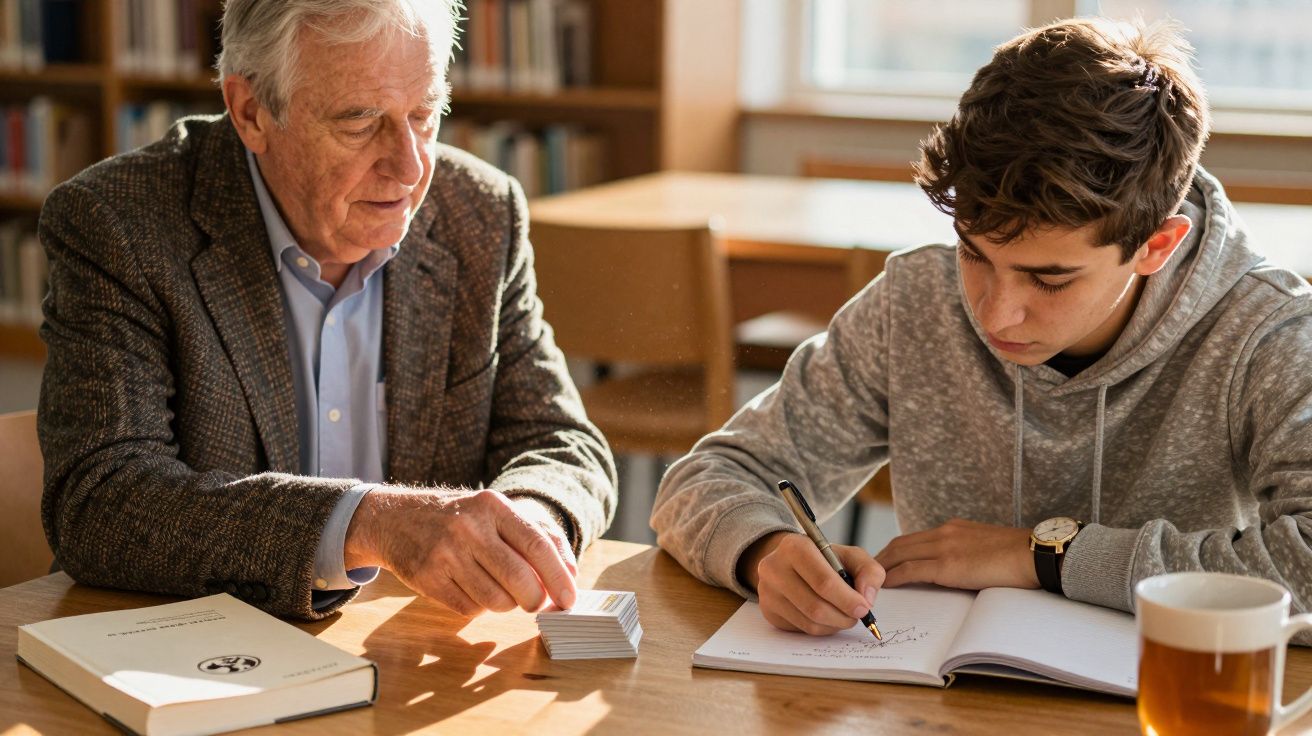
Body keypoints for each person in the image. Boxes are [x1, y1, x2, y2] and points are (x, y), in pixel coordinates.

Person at [652, 17, 1312, 638]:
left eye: (1049, 279)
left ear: (1156, 245)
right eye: (974, 253)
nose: (994, 314)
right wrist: (764, 549)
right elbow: (708, 477)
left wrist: (1049, 556)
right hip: (939, 700)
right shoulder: (914, 303)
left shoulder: (1266, 333)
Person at [37, 0, 616, 621]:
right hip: (185, 657)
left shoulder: (478, 211)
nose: (411, 166)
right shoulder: (120, 223)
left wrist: (523, 523)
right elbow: (102, 501)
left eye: (424, 115)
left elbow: (560, 443)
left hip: (404, 653)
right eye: (360, 124)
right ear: (250, 111)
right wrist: (371, 523)